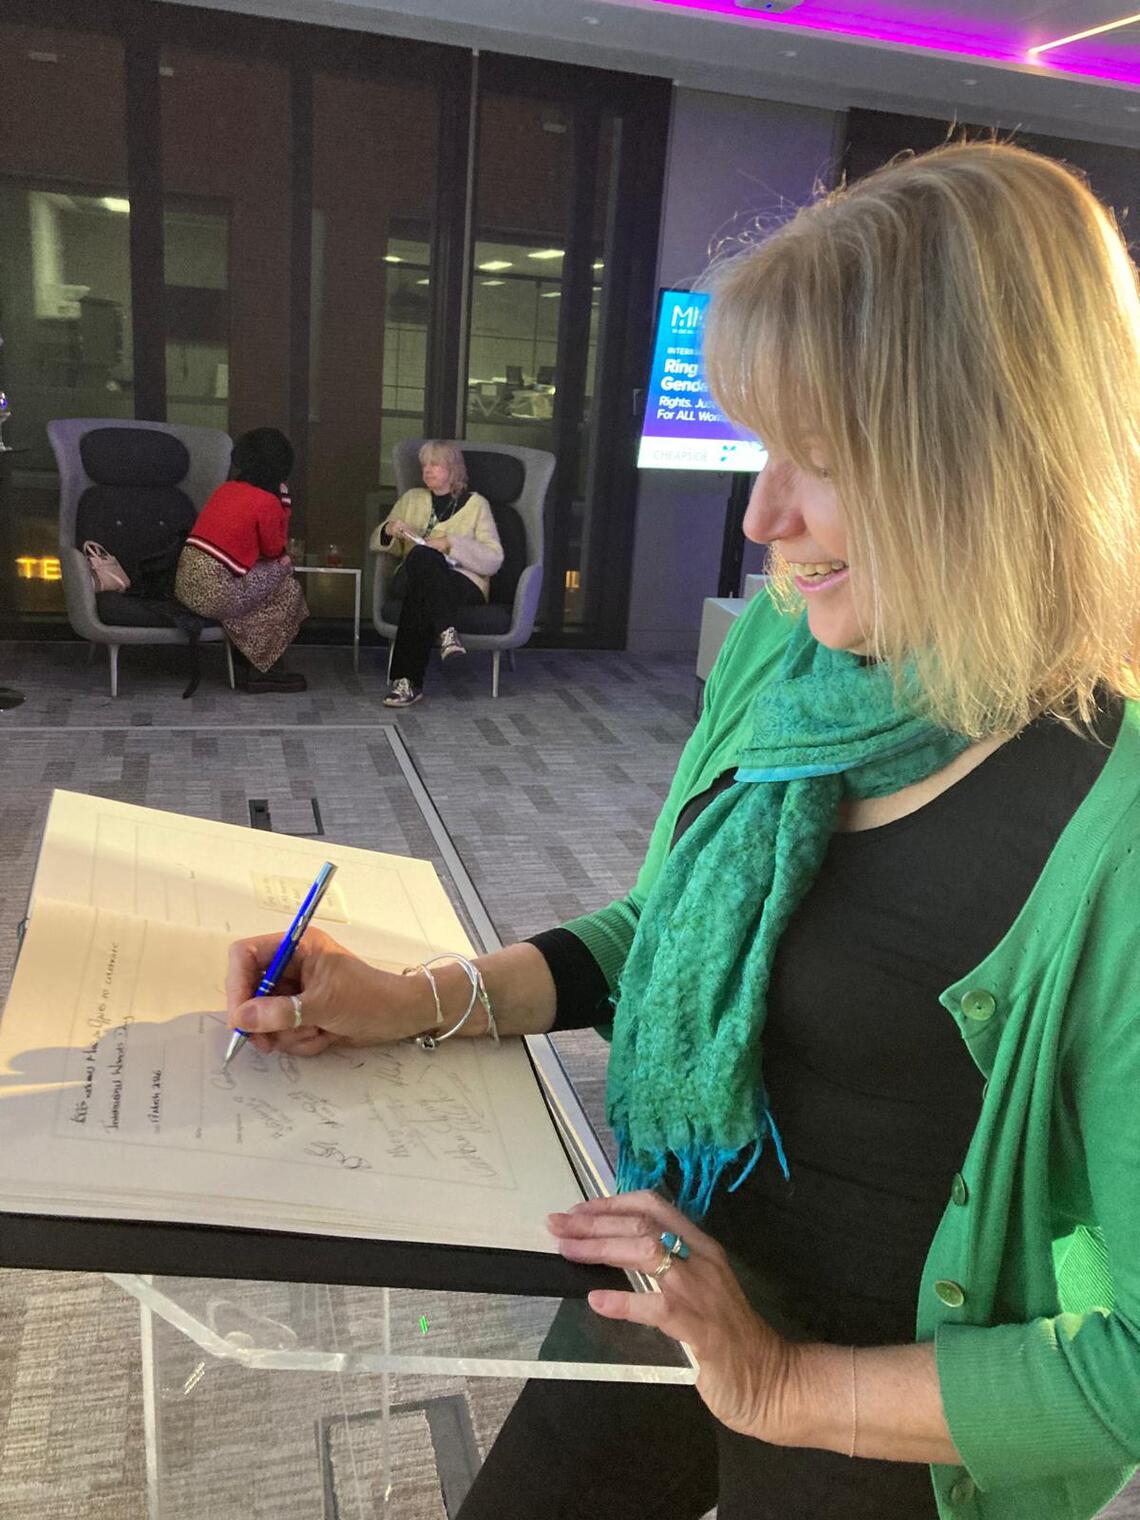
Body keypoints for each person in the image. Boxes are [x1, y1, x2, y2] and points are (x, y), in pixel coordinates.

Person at [224, 142, 1140, 1520]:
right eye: (766, 449)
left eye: (820, 459)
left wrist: (780, 1381)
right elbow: (676, 932)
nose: (765, 517)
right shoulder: (793, 651)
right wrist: (412, 999)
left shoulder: (1113, 824)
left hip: (882, 1416)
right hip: (664, 1263)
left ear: (1000, 460)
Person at [175, 426, 308, 693]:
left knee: (260, 590)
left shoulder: (225, 490)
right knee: (287, 588)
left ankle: (247, 657)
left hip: (186, 588)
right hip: (215, 594)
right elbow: (274, 550)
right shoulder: (266, 501)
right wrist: (284, 505)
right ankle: (263, 669)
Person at [371, 440, 503, 707]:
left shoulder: (477, 505)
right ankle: (446, 631)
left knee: (420, 594)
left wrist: (450, 543)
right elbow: (380, 542)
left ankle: (406, 682)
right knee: (422, 557)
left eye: (435, 465)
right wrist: (389, 530)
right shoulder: (411, 499)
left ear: (453, 469)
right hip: (411, 574)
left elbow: (494, 559)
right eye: (424, 465)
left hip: (461, 581)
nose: (427, 470)